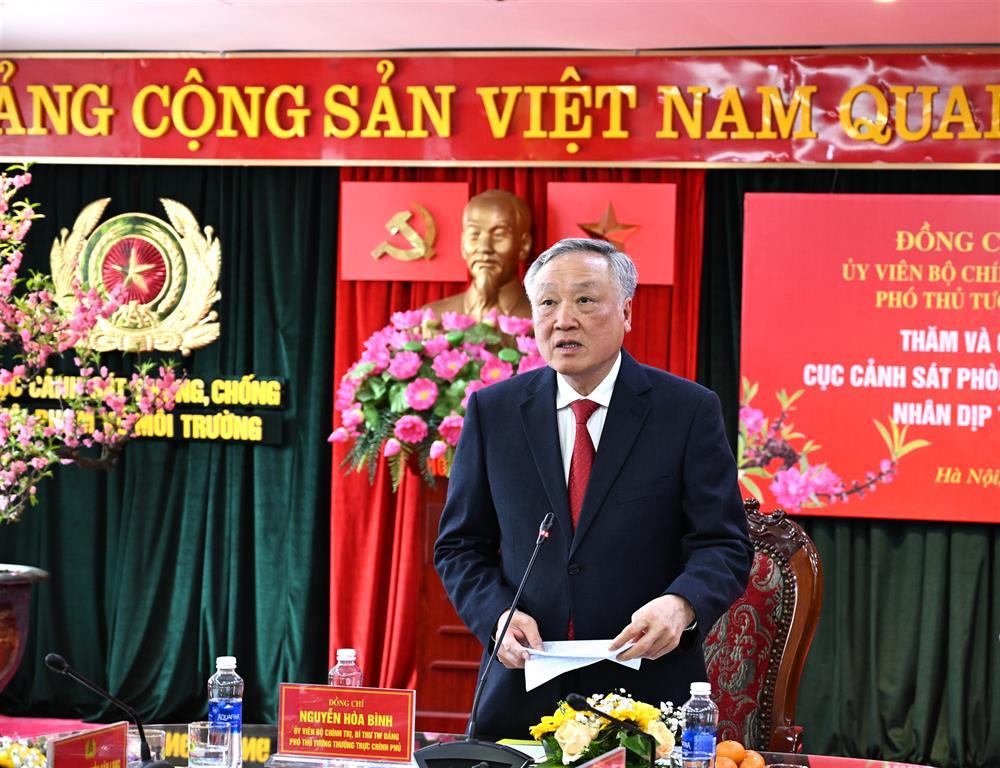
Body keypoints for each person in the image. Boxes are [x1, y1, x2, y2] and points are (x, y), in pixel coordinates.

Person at [434, 237, 753, 739]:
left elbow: (724, 543)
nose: (563, 319)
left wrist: (681, 604)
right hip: (521, 695)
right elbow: (459, 546)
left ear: (626, 312)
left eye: (584, 299)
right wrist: (496, 616)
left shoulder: (686, 411)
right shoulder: (492, 412)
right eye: (547, 302)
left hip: (649, 699)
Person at [424, 189, 533, 320]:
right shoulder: (431, 318)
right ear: (463, 245)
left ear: (524, 246)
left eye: (499, 235)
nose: (484, 247)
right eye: (474, 234)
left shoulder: (544, 319)